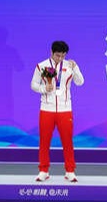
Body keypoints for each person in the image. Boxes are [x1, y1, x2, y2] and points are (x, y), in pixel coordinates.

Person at [30, 40, 85, 183]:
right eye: (57, 55)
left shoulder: (69, 66)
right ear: (51, 52)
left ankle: (70, 171)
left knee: (67, 141)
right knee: (44, 141)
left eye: (63, 56)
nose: (60, 58)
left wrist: (76, 68)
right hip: (46, 108)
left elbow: (80, 82)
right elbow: (33, 84)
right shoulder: (42, 66)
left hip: (65, 109)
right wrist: (43, 89)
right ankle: (43, 171)